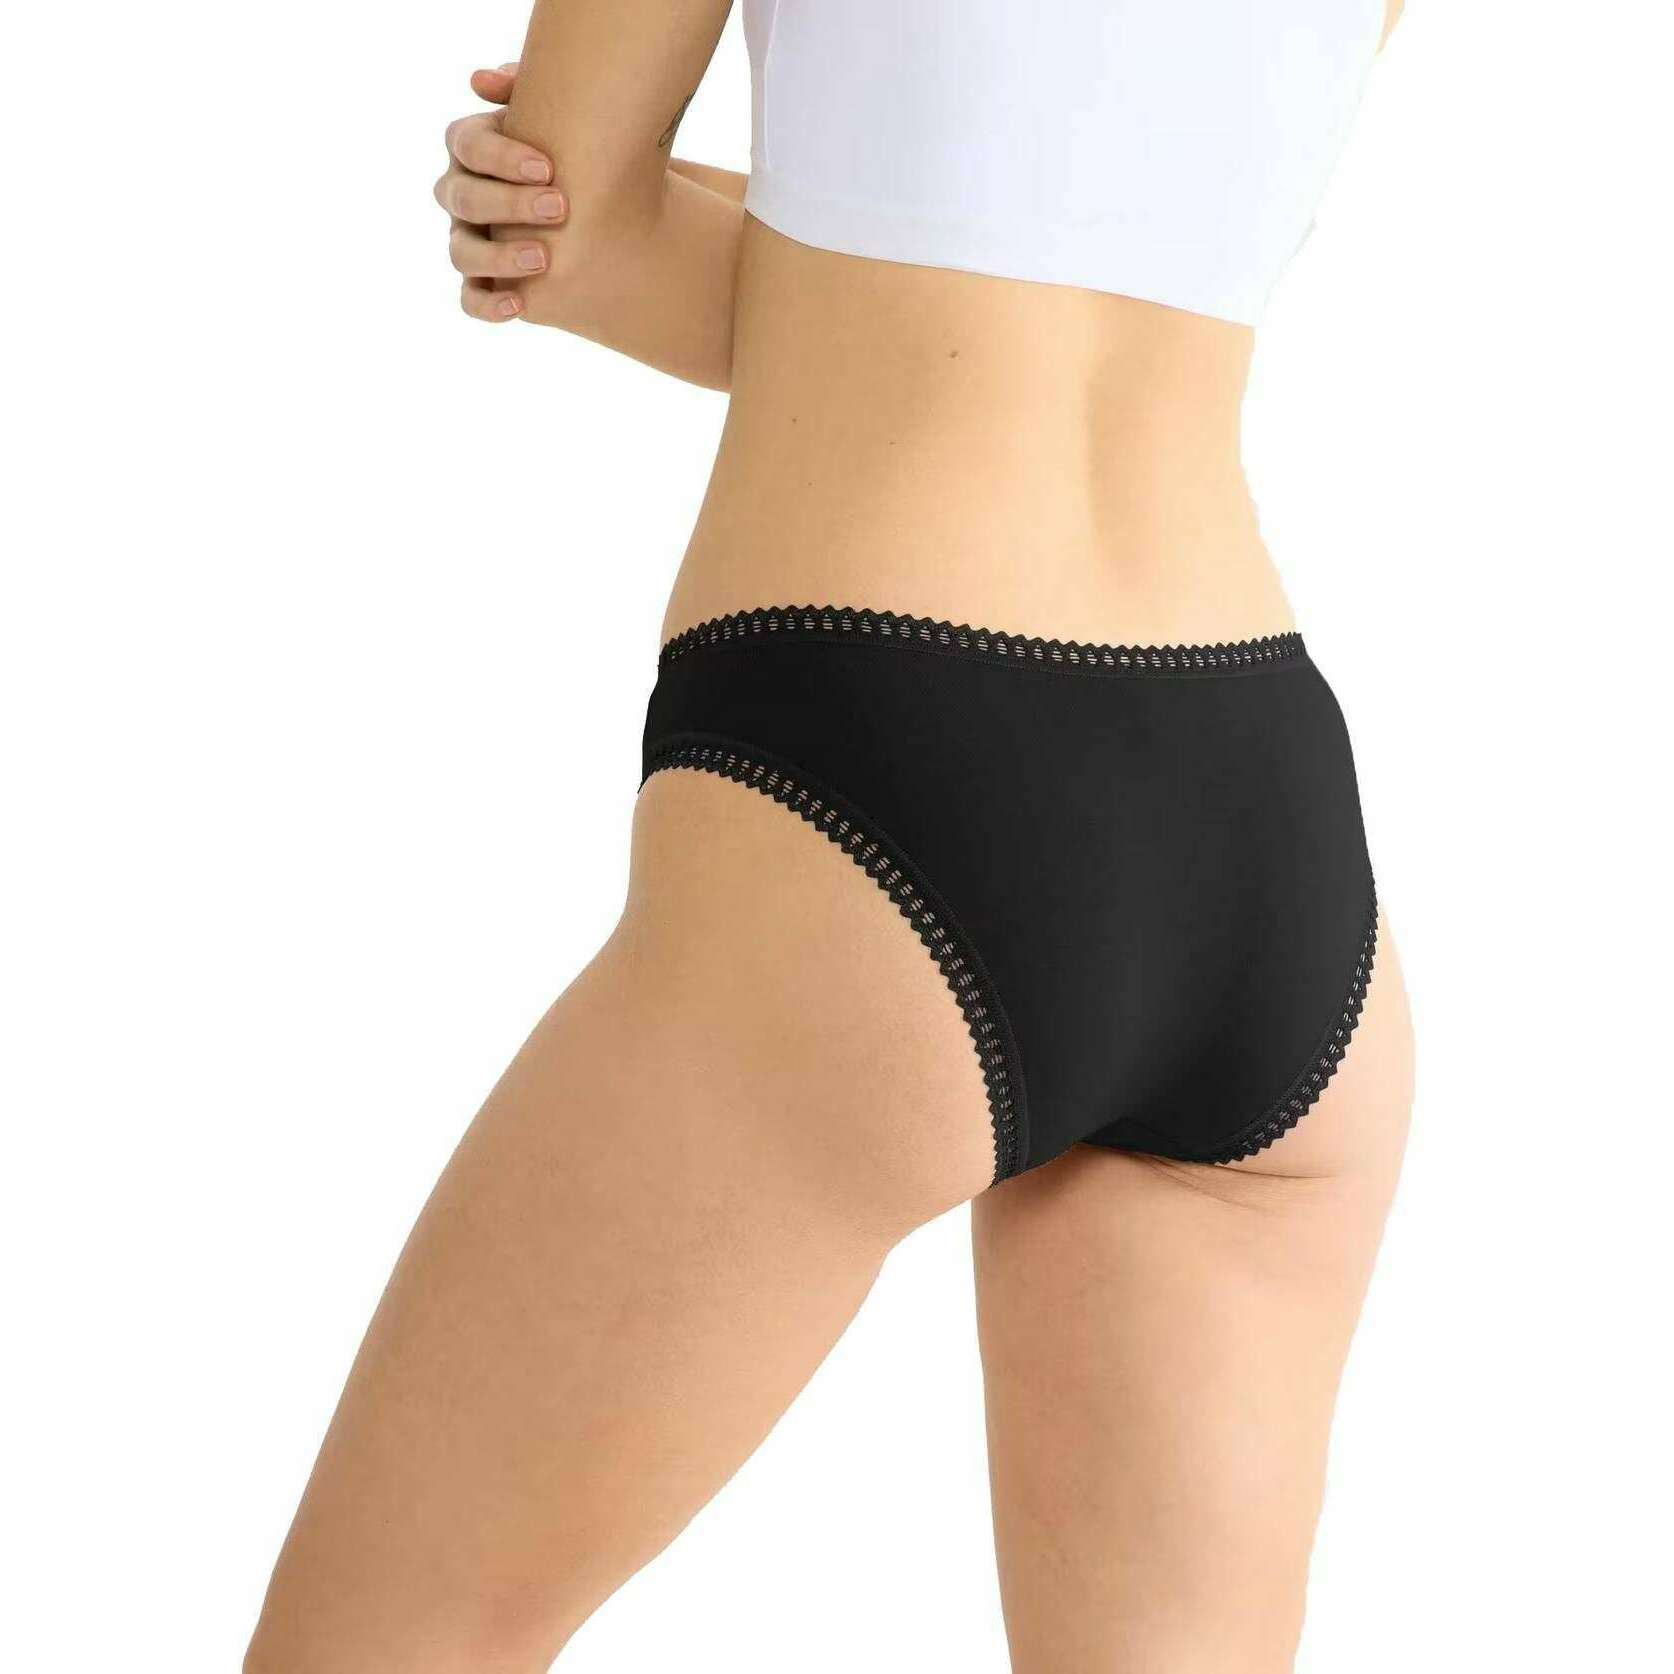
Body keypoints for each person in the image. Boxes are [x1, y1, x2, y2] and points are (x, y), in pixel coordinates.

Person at [247, 4, 1413, 1670]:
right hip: (1263, 825)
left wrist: (662, 225)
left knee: (396, 1636)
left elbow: (570, 234)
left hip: (882, 764)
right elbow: (1102, 238)